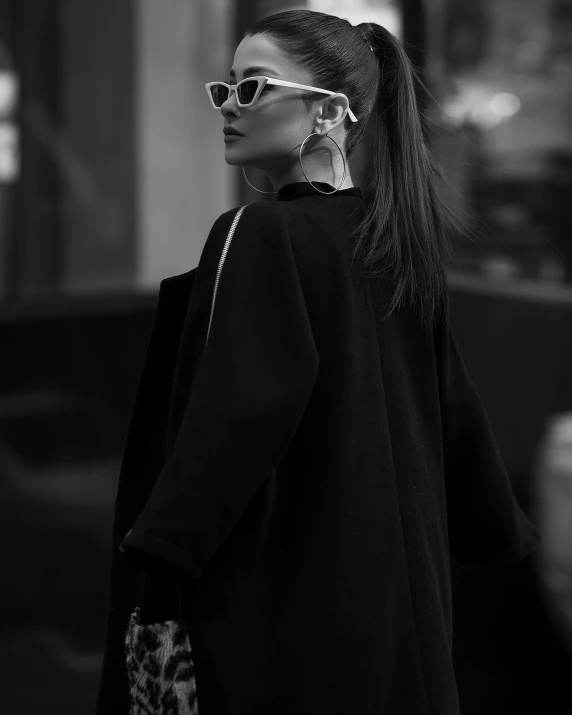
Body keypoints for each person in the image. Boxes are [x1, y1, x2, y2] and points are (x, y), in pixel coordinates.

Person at [95, 10, 542, 714]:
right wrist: (496, 528)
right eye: (226, 89)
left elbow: (237, 415)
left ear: (331, 110)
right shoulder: (392, 244)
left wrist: (158, 554)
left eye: (252, 88)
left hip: (290, 607)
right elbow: (454, 411)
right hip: (402, 609)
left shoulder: (260, 230)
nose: (229, 108)